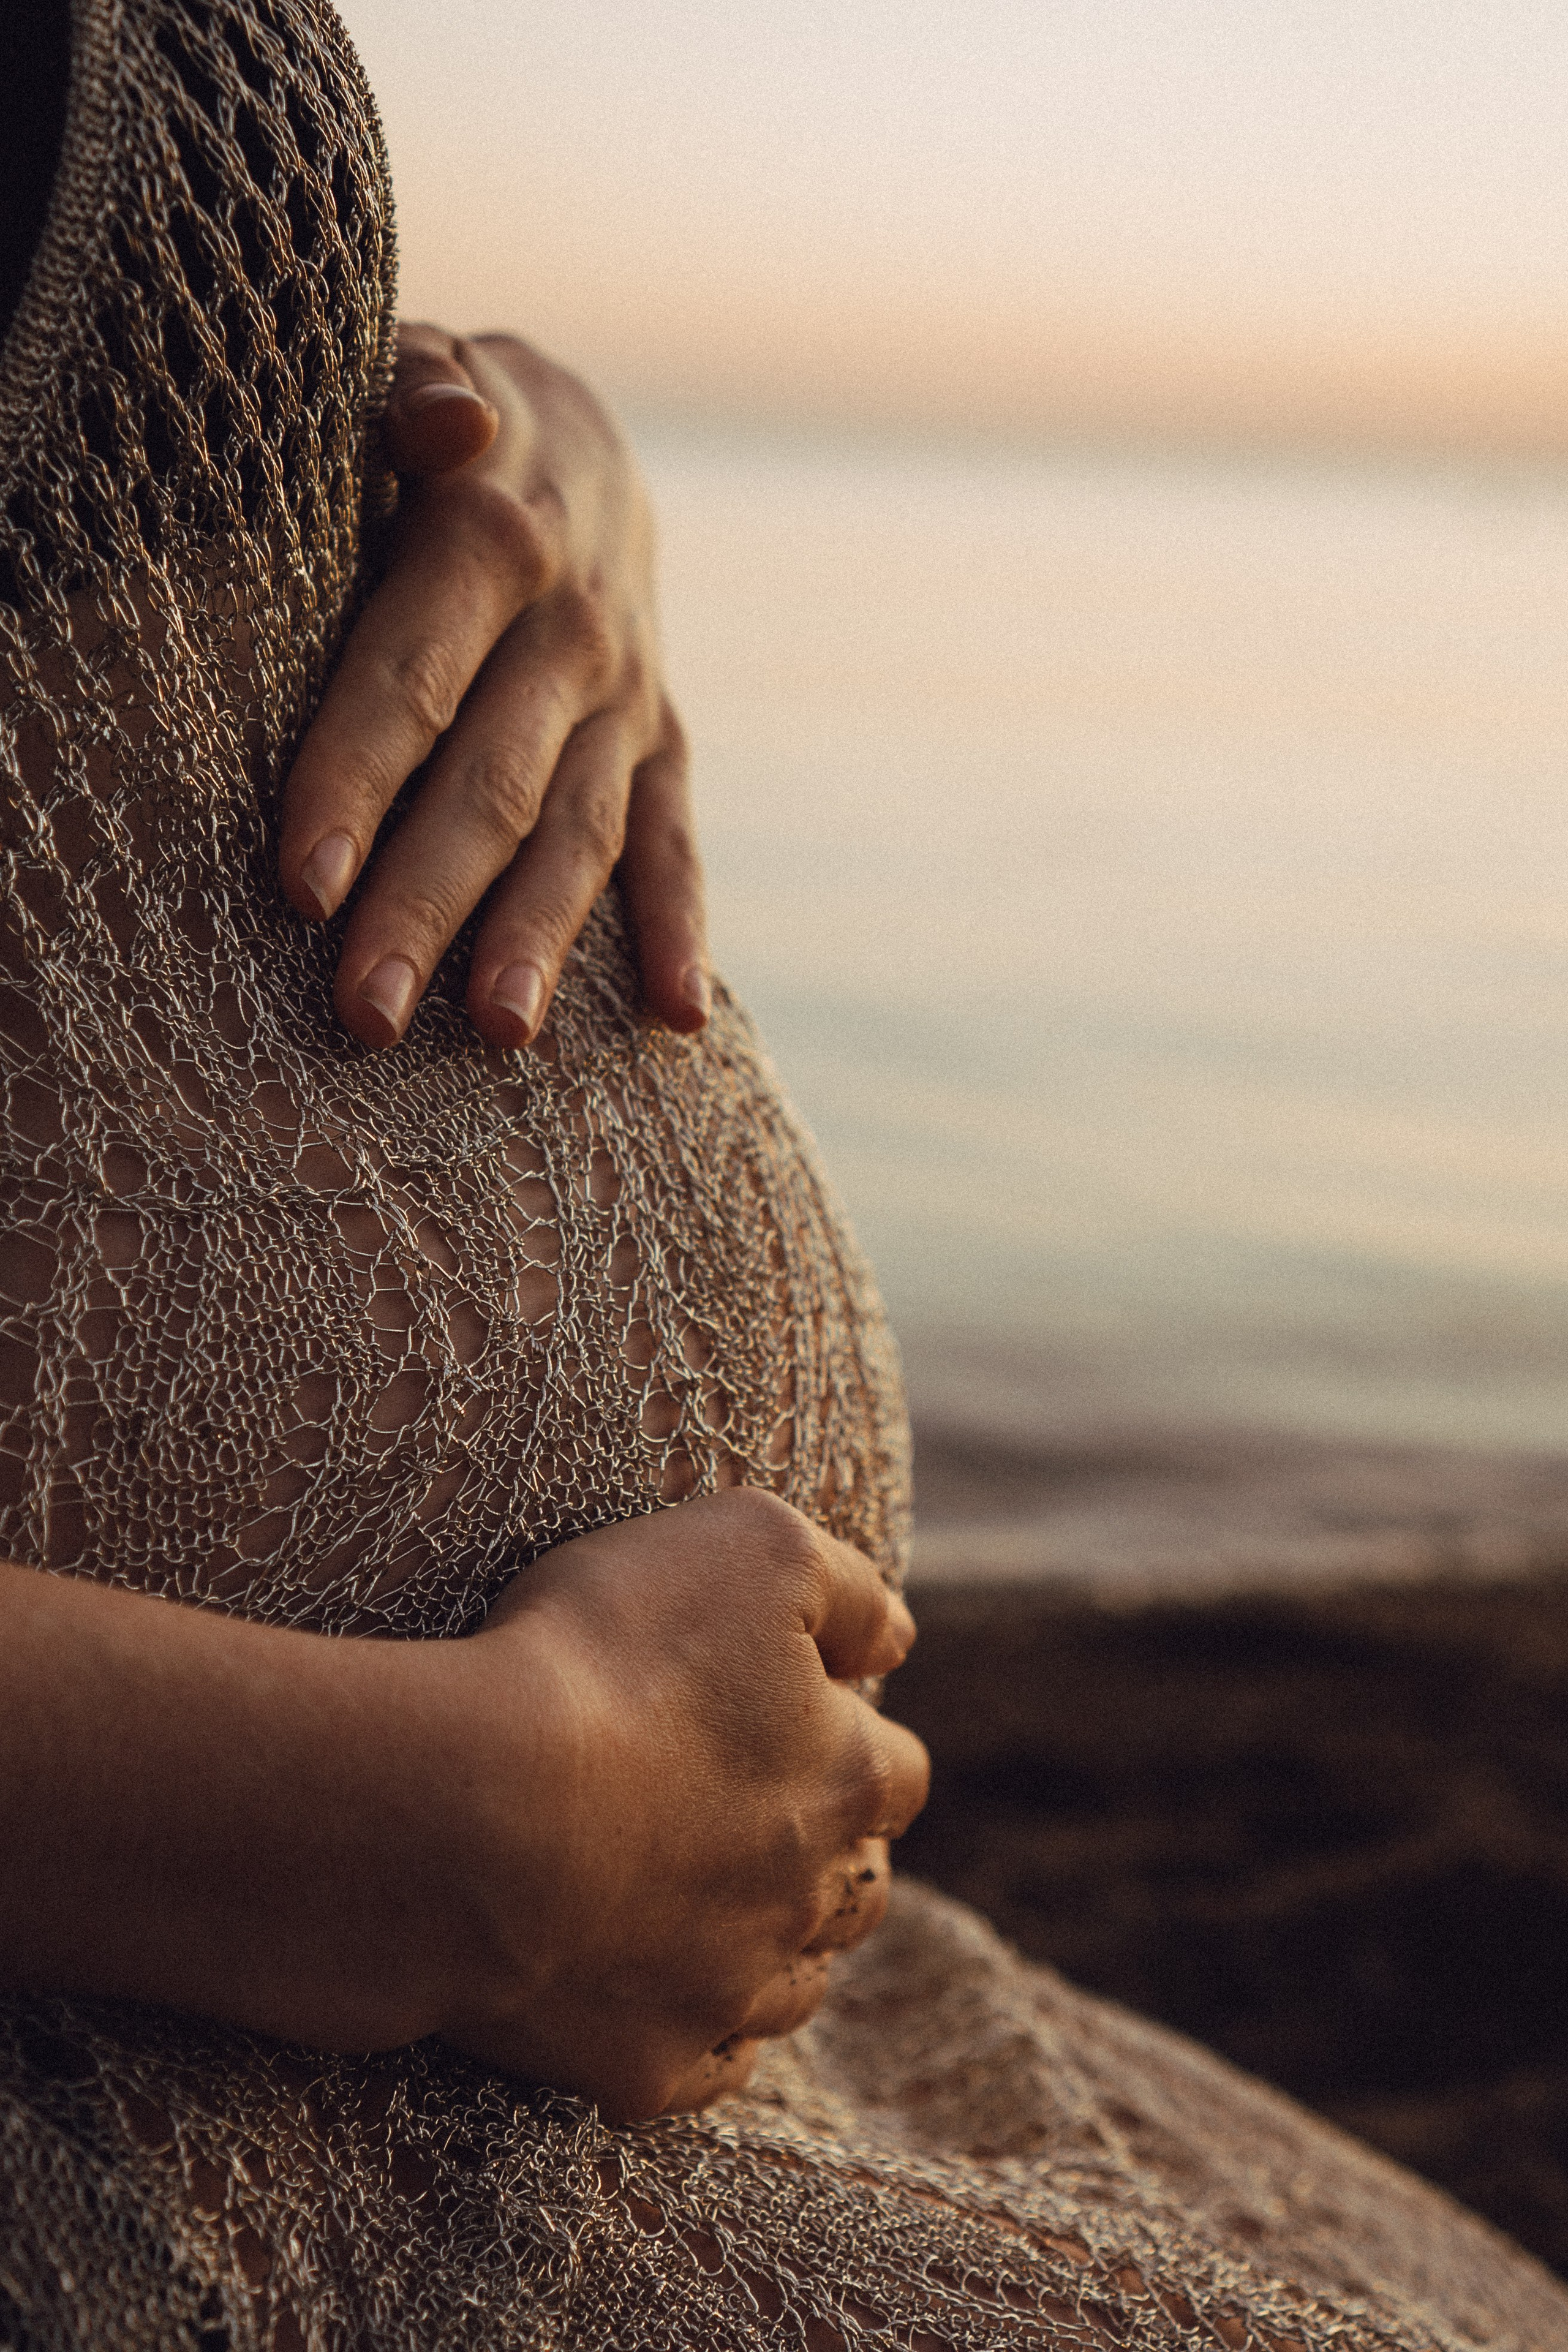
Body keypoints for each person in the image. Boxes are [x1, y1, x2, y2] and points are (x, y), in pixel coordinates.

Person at [1, 1, 1564, 2344]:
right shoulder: (431, 1862)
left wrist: (525, 457)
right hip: (203, 2033)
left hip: (560, 1960)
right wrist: (449, 1832)